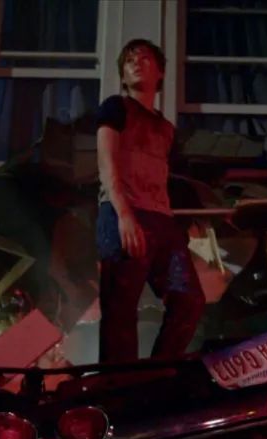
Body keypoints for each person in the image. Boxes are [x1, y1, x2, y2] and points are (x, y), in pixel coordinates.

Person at [95, 39, 205, 363]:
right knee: (120, 308)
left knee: (189, 298)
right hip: (123, 212)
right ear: (122, 74)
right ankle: (119, 385)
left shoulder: (166, 128)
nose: (135, 63)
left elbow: (167, 177)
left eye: (144, 58)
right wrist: (124, 214)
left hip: (161, 218)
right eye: (129, 60)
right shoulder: (115, 107)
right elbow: (107, 163)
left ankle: (157, 372)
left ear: (160, 72)